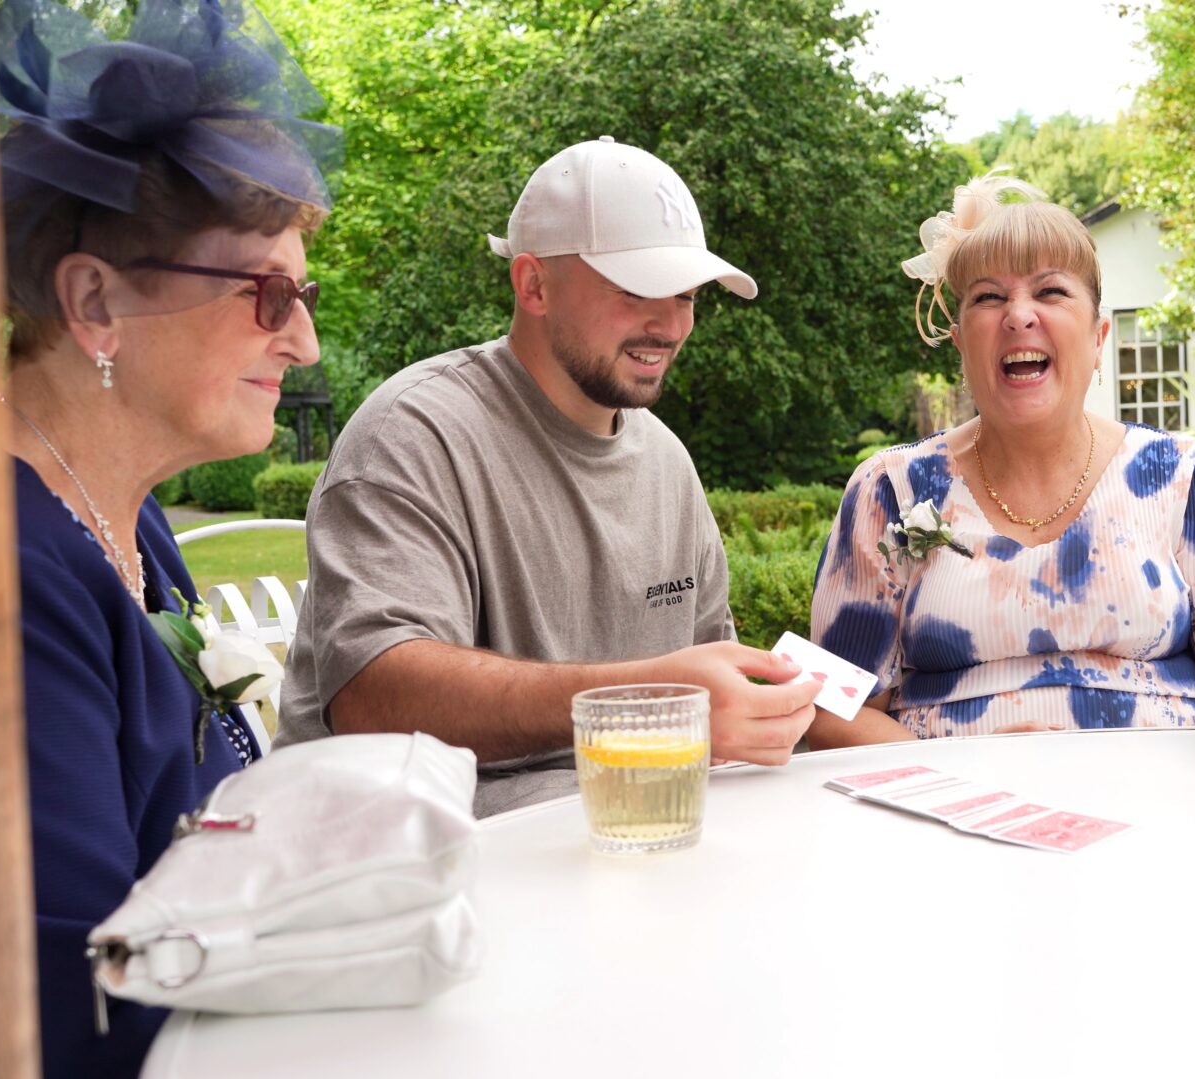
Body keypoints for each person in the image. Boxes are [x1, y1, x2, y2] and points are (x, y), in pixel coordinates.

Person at [0, 1, 337, 1076]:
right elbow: (75, 997)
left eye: (301, 295)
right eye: (266, 294)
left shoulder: (123, 513)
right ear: (94, 304)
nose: (302, 339)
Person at [275, 138, 820, 814]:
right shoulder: (415, 433)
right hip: (407, 876)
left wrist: (753, 712)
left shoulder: (666, 463)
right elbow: (374, 695)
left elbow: (708, 685)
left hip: (616, 853)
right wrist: (639, 699)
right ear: (532, 284)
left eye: (686, 295)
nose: (670, 324)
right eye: (637, 290)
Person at [804, 176, 1195, 746]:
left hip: (1157, 812)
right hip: (946, 819)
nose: (1018, 316)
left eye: (1052, 292)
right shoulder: (890, 490)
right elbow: (832, 709)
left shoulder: (1182, 477)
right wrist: (969, 785)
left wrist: (1151, 787)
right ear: (961, 342)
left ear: (1098, 338)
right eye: (988, 297)